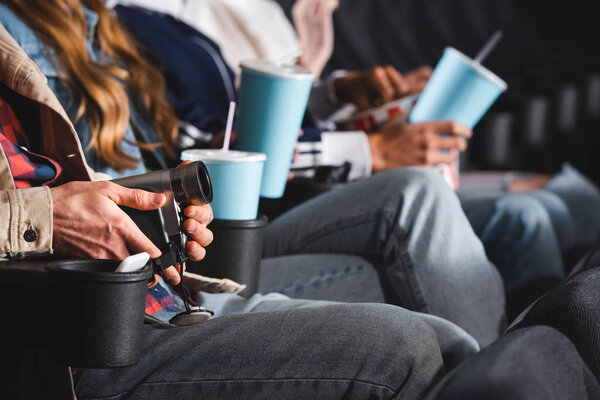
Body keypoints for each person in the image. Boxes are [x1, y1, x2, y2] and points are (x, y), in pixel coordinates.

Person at [0, 0, 507, 346]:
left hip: (195, 240)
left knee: (474, 226)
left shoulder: (125, 22)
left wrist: (327, 92)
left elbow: (217, 130)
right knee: (429, 263)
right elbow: (202, 145)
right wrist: (360, 145)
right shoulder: (35, 30)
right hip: (146, 271)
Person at [111, 0, 600, 318]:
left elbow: (246, 110)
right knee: (428, 198)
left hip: (308, 181)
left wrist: (337, 93)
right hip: (237, 226)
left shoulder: (177, 22)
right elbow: (203, 148)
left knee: (537, 215)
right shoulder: (128, 30)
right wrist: (368, 150)